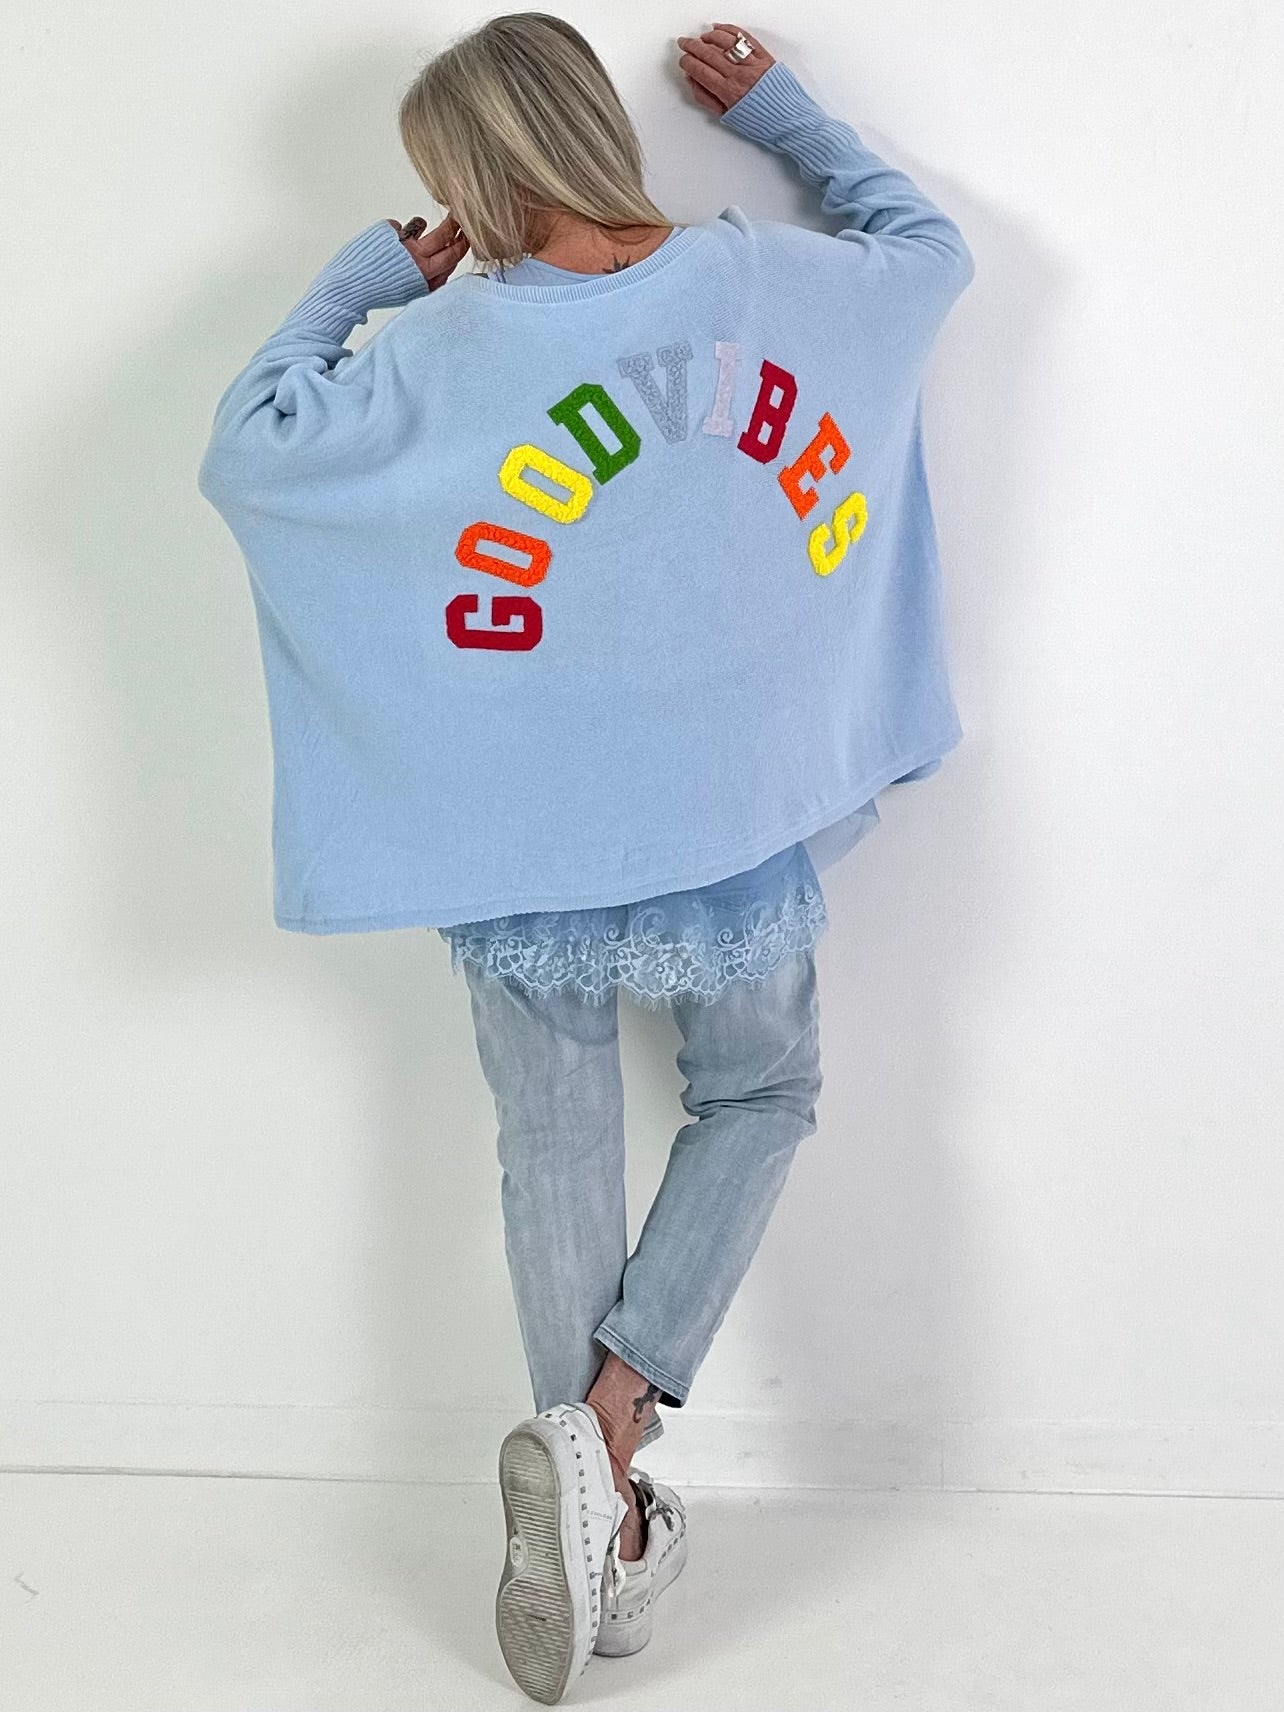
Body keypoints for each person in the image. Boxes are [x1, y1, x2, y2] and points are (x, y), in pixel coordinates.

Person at [197, 12, 974, 1703]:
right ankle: (613, 1438)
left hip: (518, 835)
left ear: (471, 175)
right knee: (759, 1093)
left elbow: (248, 445)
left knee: (550, 1145)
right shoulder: (762, 284)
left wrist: (362, 280)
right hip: (732, 819)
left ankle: (597, 1504)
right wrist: (785, 116)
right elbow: (930, 256)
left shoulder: (440, 354)